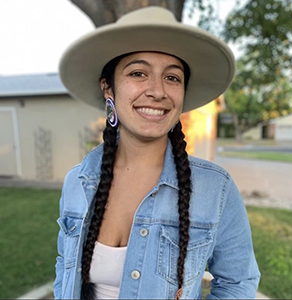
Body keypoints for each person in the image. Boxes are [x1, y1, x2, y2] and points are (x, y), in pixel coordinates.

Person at [54, 6, 260, 300]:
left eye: (172, 78)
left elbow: (238, 282)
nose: (157, 91)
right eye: (138, 73)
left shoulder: (215, 189)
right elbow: (65, 266)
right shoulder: (78, 182)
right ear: (108, 88)